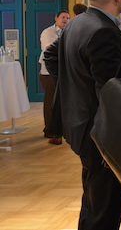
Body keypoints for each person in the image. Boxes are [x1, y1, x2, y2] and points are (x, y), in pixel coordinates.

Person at [52, 0, 121, 230]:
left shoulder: (76, 23)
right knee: (105, 208)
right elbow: (111, 91)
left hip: (80, 124)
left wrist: (72, 87)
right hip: (100, 132)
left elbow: (52, 58)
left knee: (93, 201)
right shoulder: (102, 30)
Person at [39, 10, 70, 145]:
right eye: (63, 17)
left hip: (62, 71)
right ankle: (50, 130)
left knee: (59, 102)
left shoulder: (67, 31)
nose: (65, 20)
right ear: (56, 18)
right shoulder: (48, 32)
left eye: (68, 18)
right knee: (51, 101)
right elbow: (49, 48)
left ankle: (59, 130)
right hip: (48, 72)